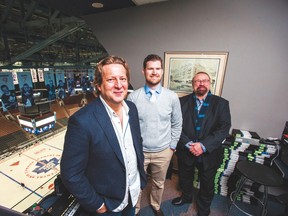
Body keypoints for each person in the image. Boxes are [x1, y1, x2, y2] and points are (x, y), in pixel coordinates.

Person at [60, 55, 147, 216]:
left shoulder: (132, 109)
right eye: (111, 80)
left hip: (132, 193)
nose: (119, 85)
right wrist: (97, 204)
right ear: (99, 85)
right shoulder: (82, 121)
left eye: (123, 79)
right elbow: (70, 174)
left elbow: (137, 144)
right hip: (107, 206)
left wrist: (140, 180)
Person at [127, 54, 182, 216]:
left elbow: (177, 123)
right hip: (140, 152)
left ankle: (155, 205)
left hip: (163, 151)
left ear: (162, 71)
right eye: (150, 68)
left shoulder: (172, 97)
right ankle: (135, 208)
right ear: (143, 71)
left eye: (157, 68)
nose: (154, 72)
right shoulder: (133, 97)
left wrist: (172, 146)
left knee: (159, 183)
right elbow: (129, 126)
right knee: (136, 183)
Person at [171, 72, 231, 216]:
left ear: (210, 83)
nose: (201, 83)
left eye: (204, 81)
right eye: (197, 81)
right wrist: (189, 144)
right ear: (193, 84)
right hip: (186, 149)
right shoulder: (181, 102)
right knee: (185, 177)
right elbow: (175, 125)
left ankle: (204, 208)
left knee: (206, 182)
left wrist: (202, 146)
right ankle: (186, 198)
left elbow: (223, 129)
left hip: (209, 152)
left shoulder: (221, 104)